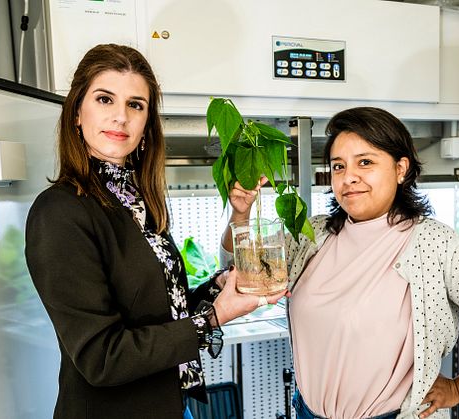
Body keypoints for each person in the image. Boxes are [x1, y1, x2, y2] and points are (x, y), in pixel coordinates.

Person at [221, 107, 459, 419]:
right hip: (306, 410)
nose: (348, 177)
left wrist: (457, 388)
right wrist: (241, 212)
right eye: (338, 166)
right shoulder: (316, 233)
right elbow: (243, 270)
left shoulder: (435, 245)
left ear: (400, 169)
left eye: (365, 162)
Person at [25, 44, 285, 419]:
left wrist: (221, 286)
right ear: (77, 114)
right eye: (104, 99)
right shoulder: (59, 212)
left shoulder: (137, 202)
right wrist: (213, 318)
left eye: (136, 105)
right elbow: (102, 358)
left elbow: (161, 311)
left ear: (147, 123)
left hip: (168, 404)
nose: (120, 117)